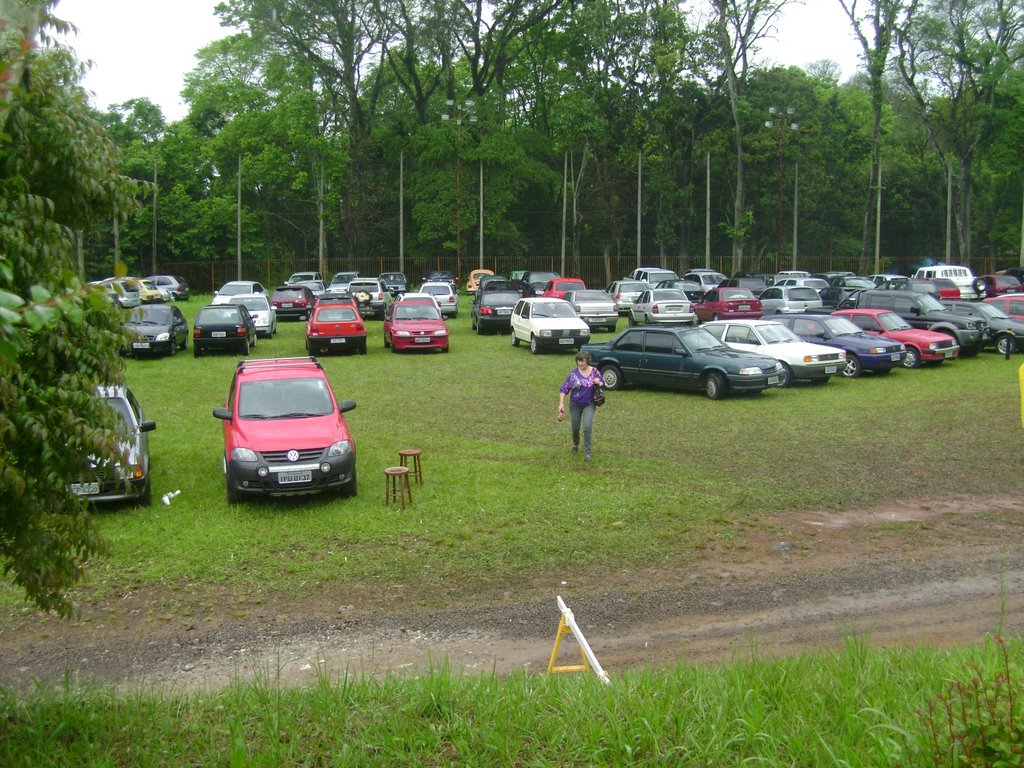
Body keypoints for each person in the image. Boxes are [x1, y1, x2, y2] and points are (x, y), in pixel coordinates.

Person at [557, 350, 605, 461]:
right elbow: (564, 389)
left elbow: (603, 382)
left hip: (589, 404)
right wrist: (561, 404)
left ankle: (588, 453)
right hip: (575, 405)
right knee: (575, 427)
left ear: (587, 360)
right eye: (578, 361)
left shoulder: (594, 372)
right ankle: (575, 444)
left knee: (587, 427)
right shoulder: (573, 374)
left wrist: (599, 382)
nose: (580, 364)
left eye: (582, 361)